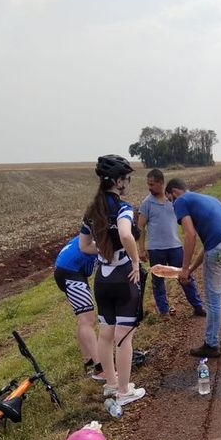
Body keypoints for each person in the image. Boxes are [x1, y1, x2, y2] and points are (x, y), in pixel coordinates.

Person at [79, 155, 146, 407]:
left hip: (102, 279)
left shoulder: (91, 211)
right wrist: (136, 261)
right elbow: (126, 234)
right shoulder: (123, 207)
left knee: (105, 334)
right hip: (123, 276)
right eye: (126, 179)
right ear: (118, 182)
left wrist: (104, 249)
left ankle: (109, 384)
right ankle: (124, 390)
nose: (127, 183)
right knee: (124, 337)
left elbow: (84, 246)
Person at [165, 178, 221, 358]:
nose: (172, 204)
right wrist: (191, 269)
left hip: (220, 249)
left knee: (213, 299)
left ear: (174, 192)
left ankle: (211, 343)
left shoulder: (181, 201)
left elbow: (190, 235)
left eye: (170, 199)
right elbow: (209, 245)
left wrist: (184, 268)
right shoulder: (207, 199)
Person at [137, 168, 206, 318]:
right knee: (158, 281)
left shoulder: (173, 201)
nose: (150, 187)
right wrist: (142, 249)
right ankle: (164, 311)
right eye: (148, 184)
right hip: (156, 249)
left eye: (152, 184)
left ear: (161, 183)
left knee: (185, 276)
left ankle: (198, 306)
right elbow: (140, 226)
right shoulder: (146, 203)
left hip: (175, 247)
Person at [54, 234, 104, 381]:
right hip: (70, 273)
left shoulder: (90, 232)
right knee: (88, 320)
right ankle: (99, 367)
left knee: (83, 320)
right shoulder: (99, 238)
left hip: (69, 271)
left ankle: (88, 360)